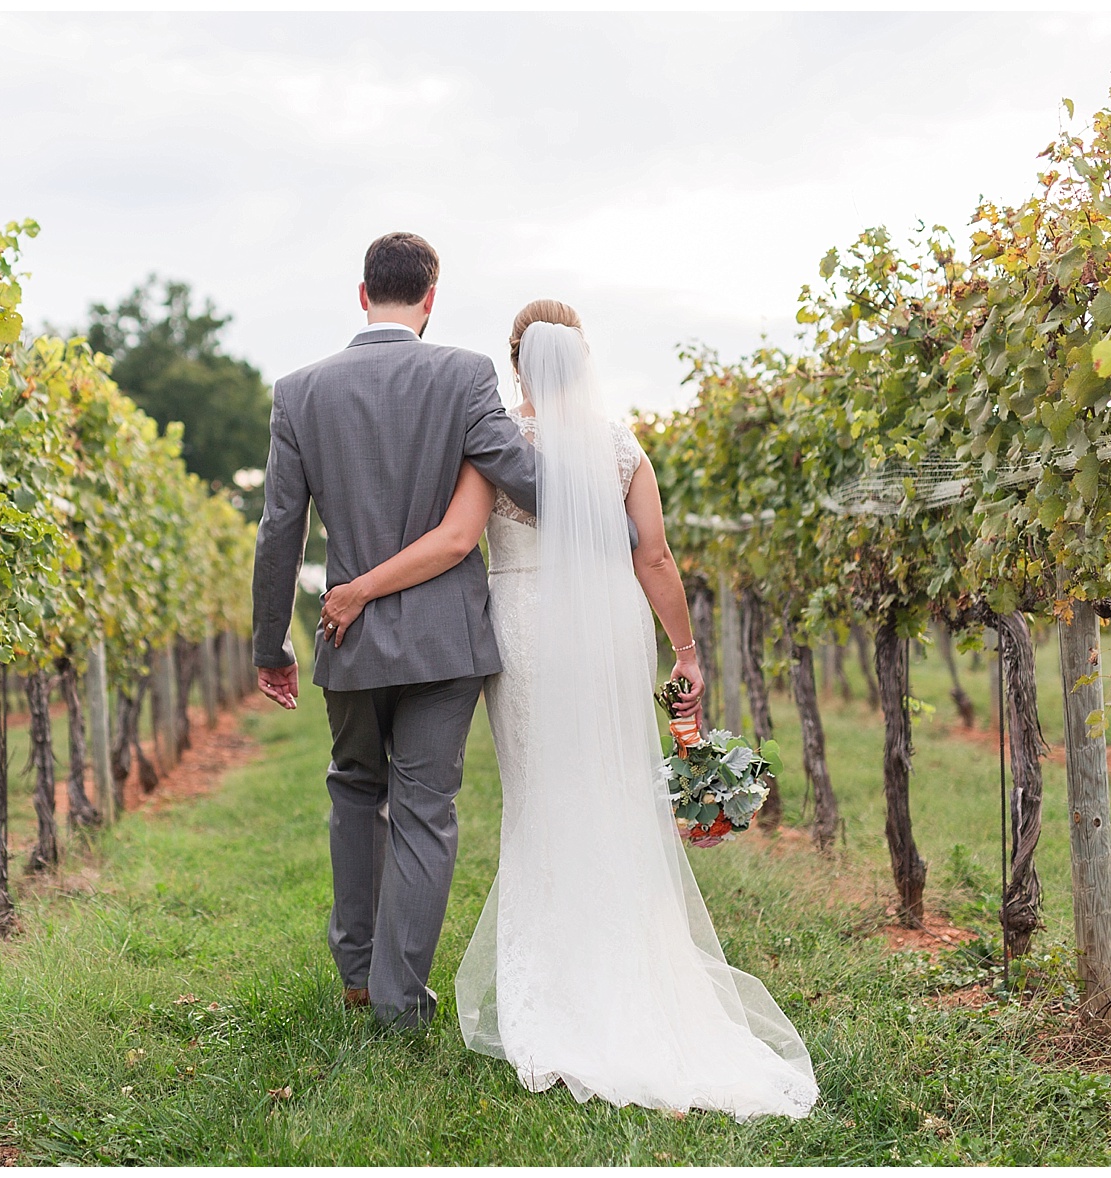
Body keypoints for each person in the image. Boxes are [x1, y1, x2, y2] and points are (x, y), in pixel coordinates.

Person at [317, 300, 817, 1118]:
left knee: (540, 798)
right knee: (611, 787)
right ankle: (631, 969)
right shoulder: (620, 446)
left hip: (522, 626)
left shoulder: (497, 442)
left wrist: (360, 589)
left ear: (517, 364)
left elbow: (452, 543)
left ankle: (554, 988)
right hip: (613, 626)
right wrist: (684, 650)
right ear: (580, 360)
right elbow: (651, 555)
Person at [249, 232, 544, 1029]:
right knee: (425, 808)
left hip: (348, 637)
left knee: (354, 790)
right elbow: (519, 477)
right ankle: (399, 999)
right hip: (446, 638)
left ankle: (356, 971)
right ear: (430, 297)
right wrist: (603, 488)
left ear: (361, 294)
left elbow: (280, 529)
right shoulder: (463, 374)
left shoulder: (298, 391)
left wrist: (268, 643)